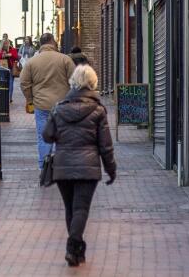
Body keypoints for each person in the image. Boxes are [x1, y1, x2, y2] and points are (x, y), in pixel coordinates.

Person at [42, 64, 117, 267]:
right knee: (81, 209)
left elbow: (47, 136)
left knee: (70, 209)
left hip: (63, 166)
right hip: (88, 167)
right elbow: (105, 145)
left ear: (73, 83)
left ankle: (76, 252)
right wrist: (111, 169)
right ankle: (72, 245)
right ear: (93, 83)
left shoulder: (58, 107)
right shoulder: (98, 110)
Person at [20, 32, 74, 171]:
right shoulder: (65, 60)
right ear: (52, 42)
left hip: (41, 105)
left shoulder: (32, 62)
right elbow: (76, 81)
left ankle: (44, 168)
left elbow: (24, 83)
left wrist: (30, 99)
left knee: (43, 137)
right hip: (62, 105)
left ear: (41, 44)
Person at [0, 34, 20, 101]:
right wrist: (2, 56)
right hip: (3, 69)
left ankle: (9, 97)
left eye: (7, 43)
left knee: (10, 82)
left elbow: (16, 57)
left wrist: (10, 55)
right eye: (4, 44)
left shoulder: (12, 49)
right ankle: (3, 96)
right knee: (3, 82)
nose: (6, 45)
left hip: (11, 68)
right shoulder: (0, 50)